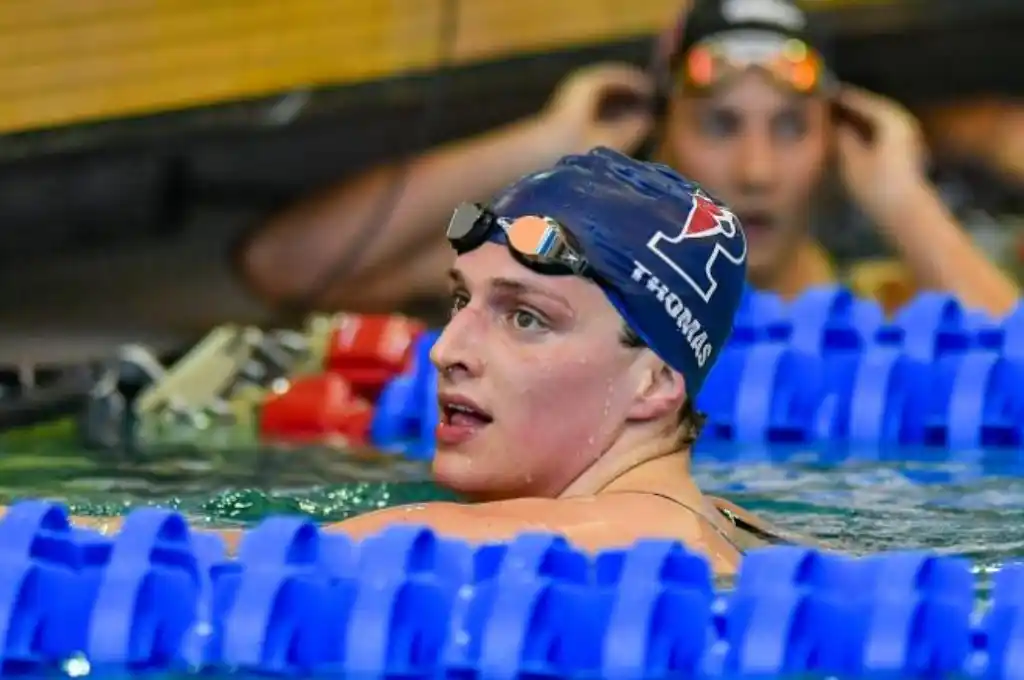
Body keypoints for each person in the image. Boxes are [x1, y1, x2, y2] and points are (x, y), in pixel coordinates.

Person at [2, 150, 795, 575]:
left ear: (655, 383)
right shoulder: (729, 527)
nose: (446, 350)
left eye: (525, 317)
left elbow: (231, 559)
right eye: (461, 302)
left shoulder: (605, 538)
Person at [237, 0, 1018, 318]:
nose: (754, 170)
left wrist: (906, 203)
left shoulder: (898, 302)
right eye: (719, 124)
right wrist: (542, 146)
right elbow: (285, 269)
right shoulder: (571, 290)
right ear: (660, 130)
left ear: (834, 143)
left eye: (789, 129)